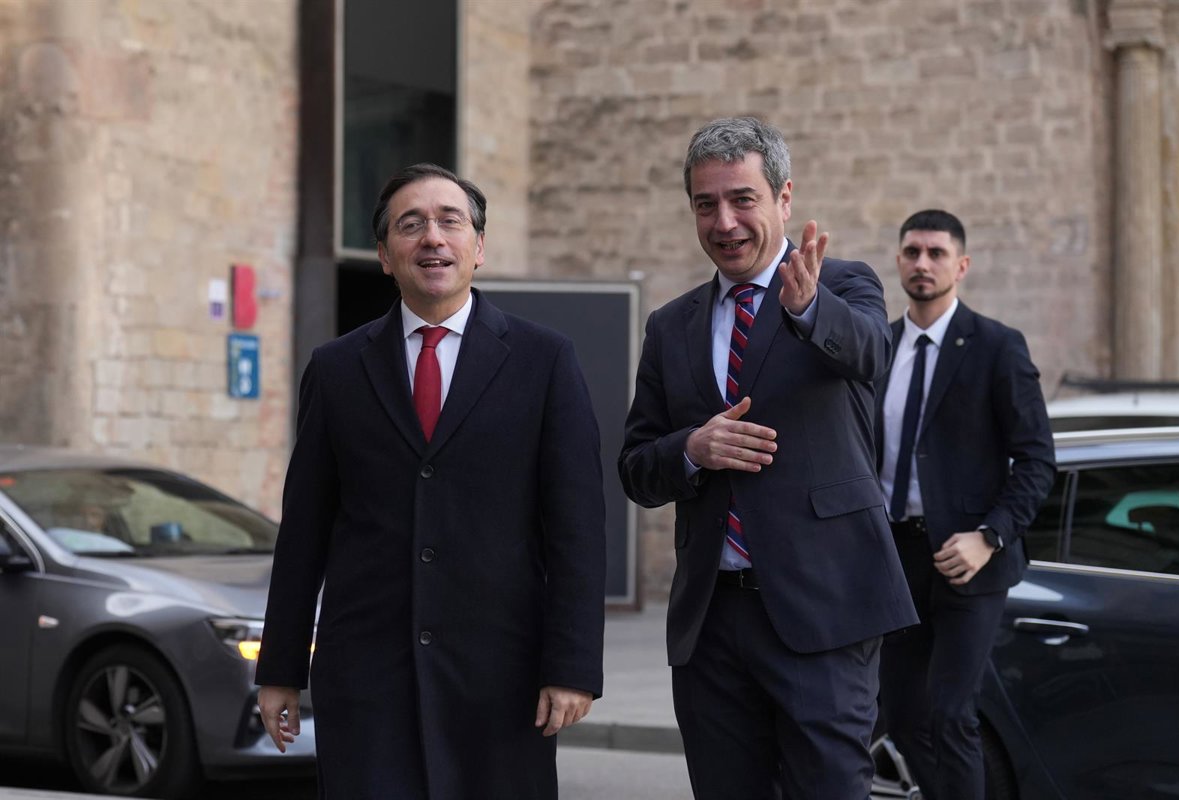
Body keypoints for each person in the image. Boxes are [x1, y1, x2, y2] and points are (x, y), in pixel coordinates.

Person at [255, 163, 607, 799]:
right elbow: (304, 531)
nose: (433, 238)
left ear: (479, 246)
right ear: (384, 255)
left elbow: (577, 527)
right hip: (367, 679)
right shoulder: (336, 370)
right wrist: (280, 667)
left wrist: (573, 666)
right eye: (410, 225)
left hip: (501, 680)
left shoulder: (544, 360)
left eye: (450, 221)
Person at [618, 116, 918, 800]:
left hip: (825, 613)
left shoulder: (844, 285)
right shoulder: (670, 326)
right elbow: (636, 467)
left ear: (784, 198)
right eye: (705, 204)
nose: (724, 222)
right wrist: (691, 449)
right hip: (711, 624)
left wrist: (809, 308)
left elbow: (873, 354)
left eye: (742, 199)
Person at [875, 209, 1055, 800]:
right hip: (894, 559)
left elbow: (1037, 460)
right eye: (912, 252)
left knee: (952, 714)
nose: (922, 263)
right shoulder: (880, 346)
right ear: (898, 260)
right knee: (901, 716)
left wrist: (990, 536)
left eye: (936, 253)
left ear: (962, 265)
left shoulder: (997, 346)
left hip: (969, 561)